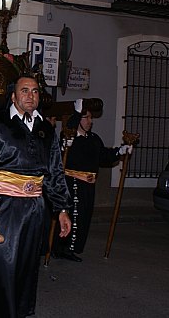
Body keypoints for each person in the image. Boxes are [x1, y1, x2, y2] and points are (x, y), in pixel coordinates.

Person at [0, 75, 73, 318]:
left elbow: (54, 172)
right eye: (25, 91)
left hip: (34, 208)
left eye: (34, 91)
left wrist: (62, 209)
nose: (30, 96)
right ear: (13, 96)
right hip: (2, 205)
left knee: (25, 264)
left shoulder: (46, 129)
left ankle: (17, 312)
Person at [51, 98, 132, 262]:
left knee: (84, 217)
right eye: (86, 117)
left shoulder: (94, 138)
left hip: (88, 186)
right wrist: (75, 114)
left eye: (91, 118)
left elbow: (103, 157)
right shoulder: (69, 138)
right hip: (72, 184)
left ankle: (74, 247)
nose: (90, 121)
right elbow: (60, 152)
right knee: (73, 216)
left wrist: (120, 151)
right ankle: (63, 248)